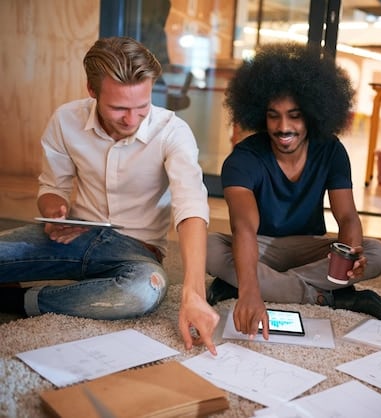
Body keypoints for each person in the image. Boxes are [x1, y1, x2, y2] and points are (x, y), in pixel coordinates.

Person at [0, 37, 220, 355]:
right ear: (92, 90)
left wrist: (194, 292)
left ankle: (17, 301)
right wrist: (56, 211)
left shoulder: (173, 132)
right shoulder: (66, 119)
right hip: (72, 237)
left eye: (141, 107)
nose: (131, 119)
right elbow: (52, 188)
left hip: (136, 254)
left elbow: (191, 208)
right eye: (118, 108)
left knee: (145, 290)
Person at [205, 42, 381, 338]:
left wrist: (352, 255)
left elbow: (347, 218)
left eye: (295, 115)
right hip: (260, 245)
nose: (283, 127)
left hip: (309, 246)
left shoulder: (330, 150)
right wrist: (250, 295)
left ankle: (242, 281)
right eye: (273, 115)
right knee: (208, 248)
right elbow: (243, 228)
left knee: (377, 252)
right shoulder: (243, 159)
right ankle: (325, 296)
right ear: (259, 115)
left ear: (313, 114)